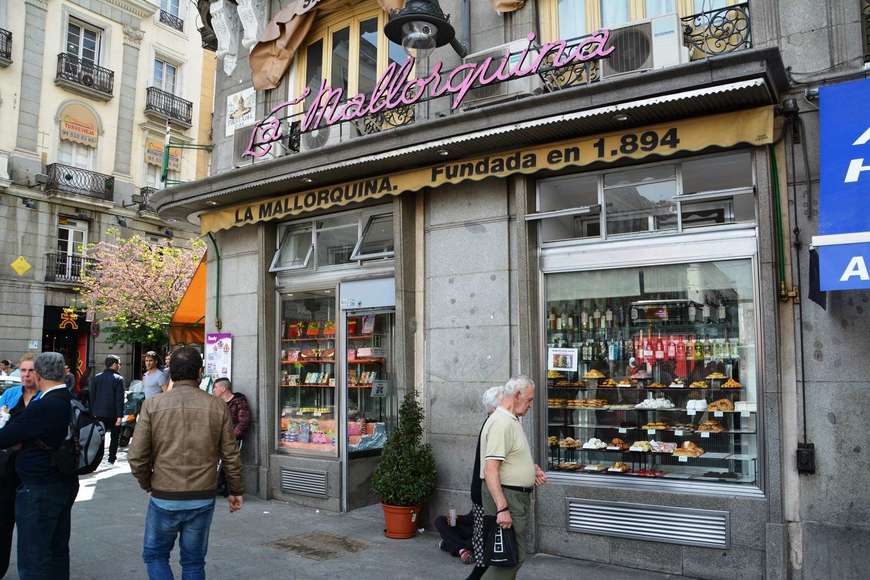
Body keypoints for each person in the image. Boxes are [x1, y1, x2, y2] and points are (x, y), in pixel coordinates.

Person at [129, 346, 244, 580]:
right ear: (200, 373)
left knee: (155, 555)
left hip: (164, 494)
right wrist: (236, 490)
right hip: (202, 494)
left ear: (171, 373)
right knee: (193, 562)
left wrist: (148, 482)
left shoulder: (153, 405)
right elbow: (231, 455)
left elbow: (136, 456)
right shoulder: (217, 405)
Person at [0, 352, 79, 579]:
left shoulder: (44, 405)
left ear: (41, 374)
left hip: (40, 487)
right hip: (63, 481)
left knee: (33, 556)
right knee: (57, 549)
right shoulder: (69, 397)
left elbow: (6, 437)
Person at [479, 376, 546, 580]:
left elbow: (508, 458)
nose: (531, 405)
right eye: (529, 400)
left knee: (510, 556)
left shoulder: (510, 419)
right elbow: (491, 469)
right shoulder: (502, 422)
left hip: (514, 496)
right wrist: (502, 508)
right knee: (511, 557)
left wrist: (529, 469)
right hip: (508, 497)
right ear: (517, 395)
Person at [0, 353, 42, 578]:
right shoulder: (10, 394)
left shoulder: (44, 398)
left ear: (39, 374)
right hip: (5, 470)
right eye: (23, 371)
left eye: (31, 371)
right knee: (3, 523)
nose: (26, 375)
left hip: (31, 472)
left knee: (30, 528)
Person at [464, 386, 504, 579]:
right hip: (484, 491)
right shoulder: (494, 424)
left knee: (486, 540)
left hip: (482, 489)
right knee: (485, 543)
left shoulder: (491, 422)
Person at [90, 356, 125, 464]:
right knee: (114, 437)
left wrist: (93, 412)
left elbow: (92, 397)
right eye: (119, 364)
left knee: (99, 437)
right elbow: (119, 399)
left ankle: (96, 460)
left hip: (98, 413)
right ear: (114, 365)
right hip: (113, 414)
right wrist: (120, 416)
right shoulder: (118, 379)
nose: (119, 366)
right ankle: (111, 459)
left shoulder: (96, 377)